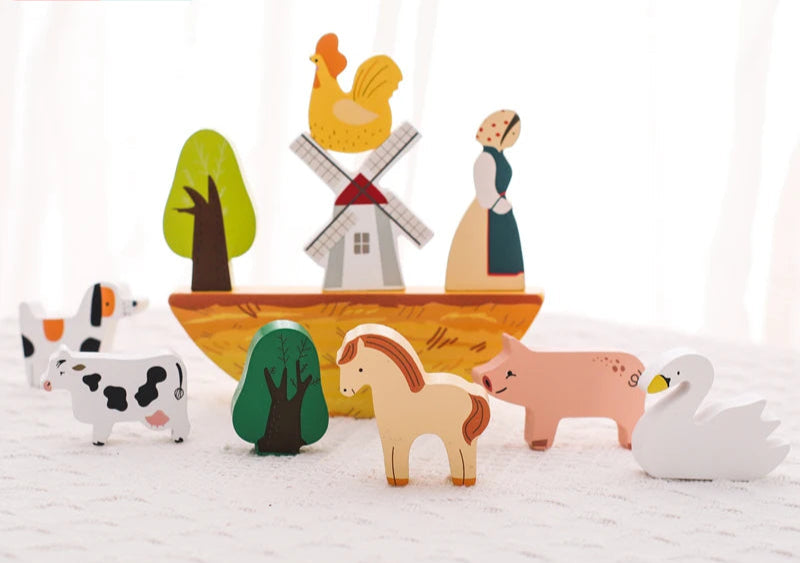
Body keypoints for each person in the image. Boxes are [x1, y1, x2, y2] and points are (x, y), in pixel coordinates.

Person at [445, 109, 525, 291]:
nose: (514, 138)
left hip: (500, 207)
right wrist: (500, 205)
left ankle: (505, 283)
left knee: (505, 246)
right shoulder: (485, 158)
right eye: (512, 133)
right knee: (491, 247)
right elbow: (485, 192)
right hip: (489, 212)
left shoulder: (499, 156)